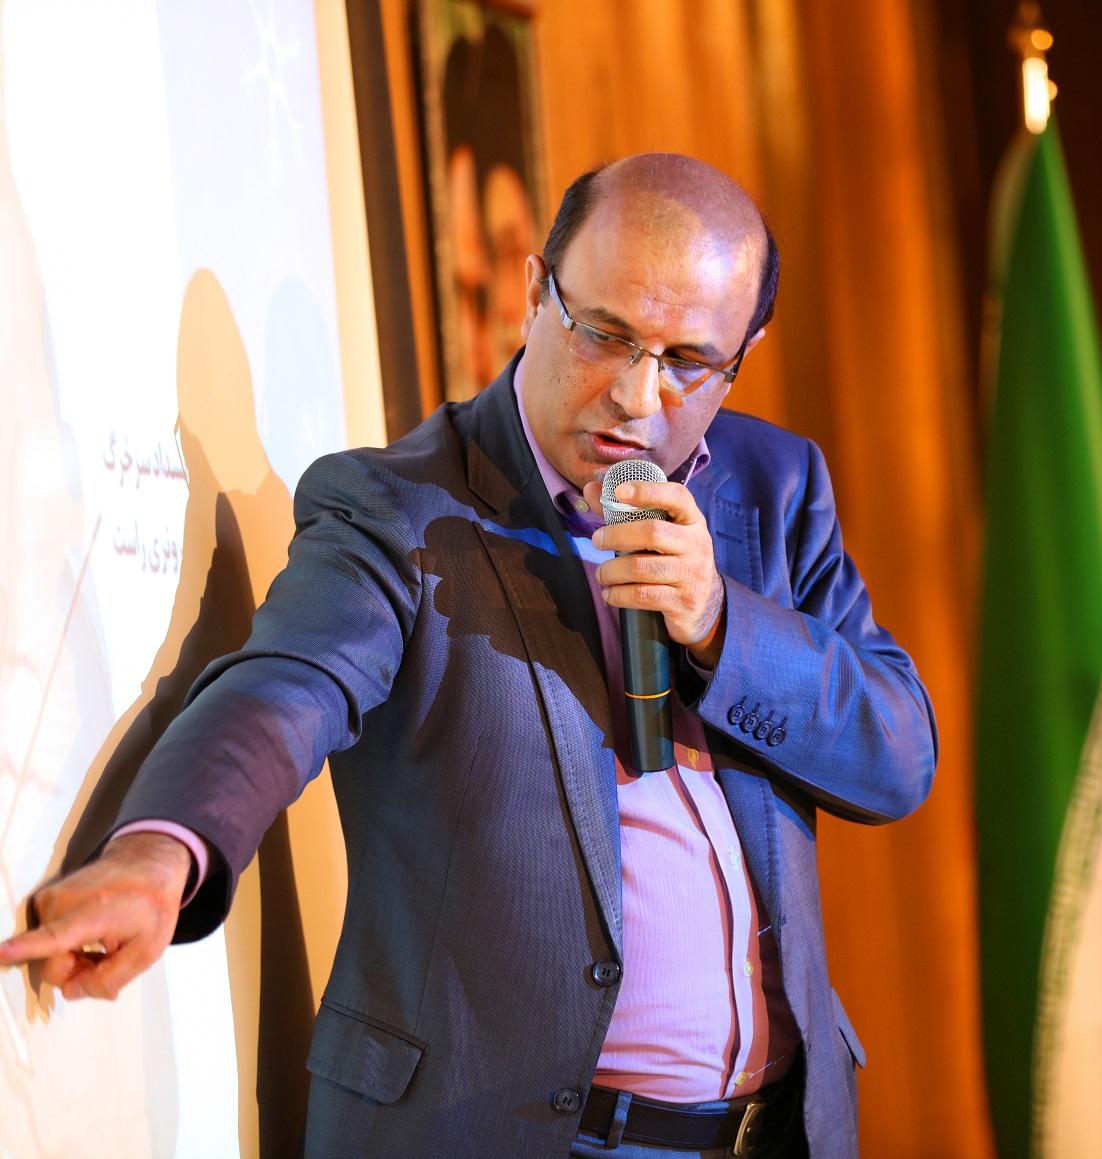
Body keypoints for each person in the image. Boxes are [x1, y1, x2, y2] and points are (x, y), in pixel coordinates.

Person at [0, 153, 937, 1159]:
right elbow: (286, 690)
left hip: (774, 1133)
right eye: (604, 334)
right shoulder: (399, 505)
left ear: (742, 354)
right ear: (536, 291)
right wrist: (158, 856)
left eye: (686, 361)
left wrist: (718, 623)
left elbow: (897, 754)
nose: (636, 395)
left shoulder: (775, 486)